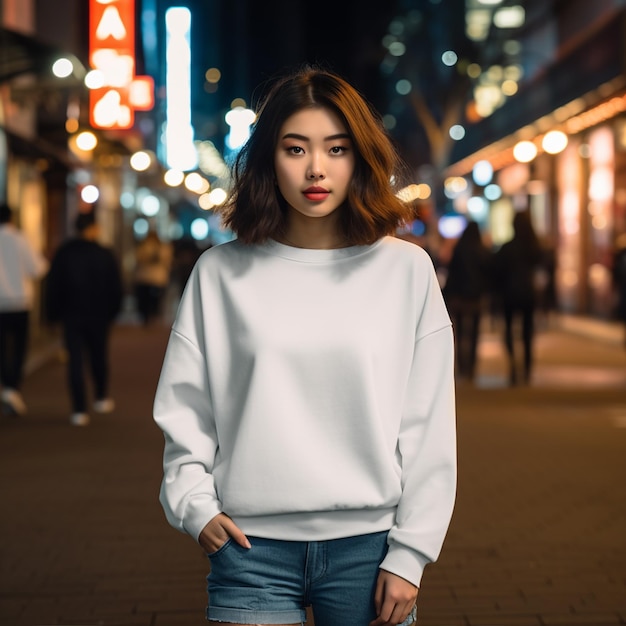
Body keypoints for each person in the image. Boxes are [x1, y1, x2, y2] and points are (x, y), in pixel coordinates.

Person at [153, 66, 457, 626]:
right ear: (269, 158)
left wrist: (411, 552)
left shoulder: (405, 270)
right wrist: (195, 507)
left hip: (370, 548)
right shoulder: (221, 273)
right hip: (249, 549)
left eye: (336, 149)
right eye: (296, 149)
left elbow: (429, 424)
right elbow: (186, 409)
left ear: (359, 158)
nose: (316, 168)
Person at [45, 208, 123, 426]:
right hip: (99, 315)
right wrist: (113, 312)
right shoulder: (104, 253)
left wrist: (52, 316)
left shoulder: (64, 253)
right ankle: (100, 396)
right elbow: (116, 287)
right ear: (94, 228)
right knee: (99, 356)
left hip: (72, 315)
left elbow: (53, 286)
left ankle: (79, 409)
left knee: (75, 361)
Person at [0, 203, 49, 416]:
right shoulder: (20, 239)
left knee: (1, 348)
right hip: (21, 302)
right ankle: (12, 387)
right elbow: (39, 268)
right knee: (19, 348)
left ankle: (7, 387)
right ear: (11, 218)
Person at [493, 210, 543, 385]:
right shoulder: (534, 247)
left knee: (508, 329)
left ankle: (513, 365)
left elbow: (496, 271)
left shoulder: (507, 247)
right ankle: (527, 369)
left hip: (509, 294)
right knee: (527, 331)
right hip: (528, 294)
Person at [443, 220, 493, 383]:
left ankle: (460, 365)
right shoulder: (482, 251)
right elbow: (487, 275)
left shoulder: (459, 249)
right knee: (474, 333)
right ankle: (471, 365)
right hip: (475, 298)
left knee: (459, 331)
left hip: (458, 298)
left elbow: (452, 273)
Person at [132, 229, 173, 325]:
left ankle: (146, 318)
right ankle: (153, 317)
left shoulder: (143, 246)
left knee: (144, 300)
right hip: (158, 278)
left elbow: (138, 259)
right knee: (155, 300)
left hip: (144, 277)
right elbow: (167, 262)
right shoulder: (163, 247)